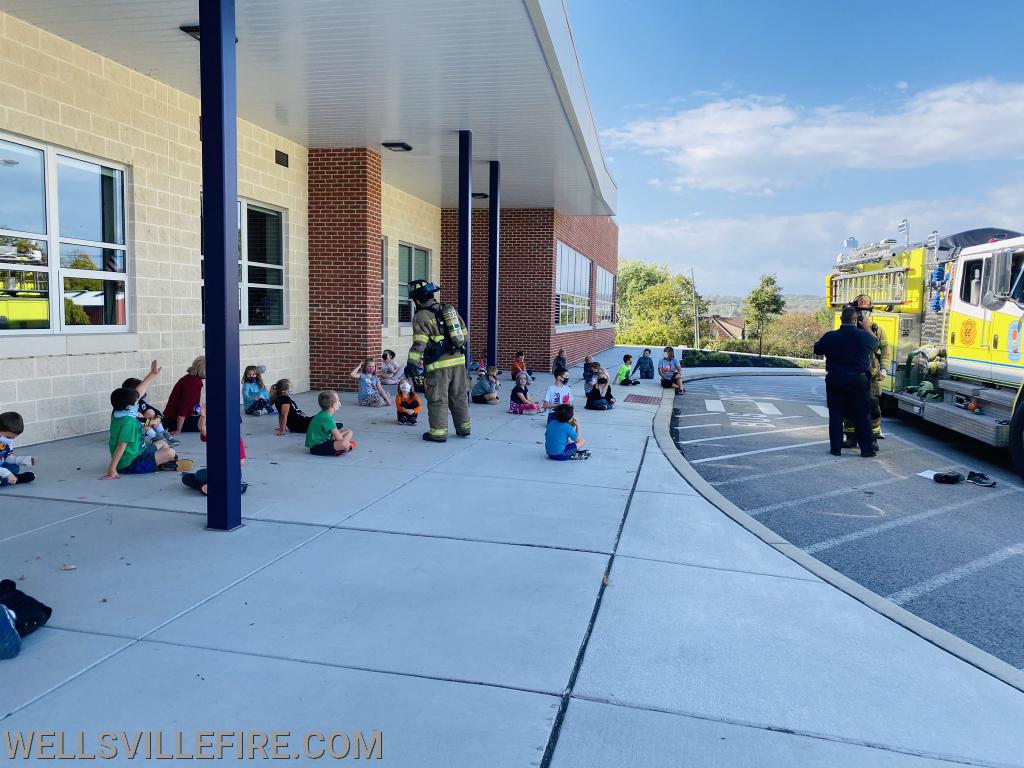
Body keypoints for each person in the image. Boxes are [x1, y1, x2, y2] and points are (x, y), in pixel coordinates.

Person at [403, 280, 471, 442]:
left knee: (438, 398)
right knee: (459, 396)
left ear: (417, 299)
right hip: (459, 362)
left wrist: (411, 364)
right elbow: (464, 335)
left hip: (439, 366)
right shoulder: (450, 311)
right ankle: (464, 428)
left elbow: (419, 343)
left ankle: (438, 433)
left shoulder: (421, 316)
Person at [814, 305, 878, 457]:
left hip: (836, 379)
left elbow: (817, 349)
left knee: (836, 415)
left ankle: (836, 449)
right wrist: (867, 327)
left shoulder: (830, 336)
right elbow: (875, 344)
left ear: (841, 319)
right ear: (856, 320)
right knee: (862, 415)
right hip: (858, 380)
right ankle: (866, 450)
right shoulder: (864, 336)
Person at [103, 387, 192, 479]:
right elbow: (121, 446)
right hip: (130, 464)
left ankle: (165, 462)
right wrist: (112, 469)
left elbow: (143, 420)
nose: (138, 404)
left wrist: (152, 374)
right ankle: (163, 465)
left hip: (139, 451)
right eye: (137, 402)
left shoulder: (118, 413)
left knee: (163, 443)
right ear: (129, 406)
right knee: (171, 452)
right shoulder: (129, 423)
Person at [843, 294, 890, 451]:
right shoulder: (849, 329)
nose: (863, 314)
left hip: (871, 376)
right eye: (859, 310)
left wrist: (883, 369)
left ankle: (873, 439)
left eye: (866, 311)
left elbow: (884, 351)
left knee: (873, 408)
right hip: (852, 375)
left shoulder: (877, 330)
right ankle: (851, 438)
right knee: (849, 407)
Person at [181, 404, 248, 496]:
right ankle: (222, 487)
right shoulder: (215, 435)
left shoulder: (236, 440)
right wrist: (203, 417)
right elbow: (202, 429)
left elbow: (241, 460)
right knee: (187, 478)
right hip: (215, 472)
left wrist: (224, 468)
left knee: (198, 475)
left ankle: (212, 486)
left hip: (230, 472)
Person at [121, 360, 178, 446]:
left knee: (150, 411)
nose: (144, 391)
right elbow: (139, 420)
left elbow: (154, 410)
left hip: (143, 426)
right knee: (139, 414)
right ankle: (154, 437)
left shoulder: (140, 402)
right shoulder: (127, 406)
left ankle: (162, 433)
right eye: (142, 389)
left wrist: (158, 416)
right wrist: (153, 422)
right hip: (131, 431)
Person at [305, 391, 356, 456]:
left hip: (320, 443)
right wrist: (346, 440)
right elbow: (339, 439)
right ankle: (344, 448)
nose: (339, 402)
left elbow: (332, 436)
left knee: (348, 432)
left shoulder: (324, 414)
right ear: (334, 405)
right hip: (317, 447)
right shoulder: (327, 418)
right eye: (338, 400)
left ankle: (343, 447)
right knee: (345, 442)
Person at [164, 356, 205, 434]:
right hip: (175, 421)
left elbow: (194, 404)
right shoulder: (193, 382)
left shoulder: (193, 379)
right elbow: (183, 408)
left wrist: (199, 412)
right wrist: (178, 429)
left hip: (181, 418)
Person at [0, 411, 36, 487]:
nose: (11, 440)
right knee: (7, 472)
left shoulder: (6, 441)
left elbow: (7, 457)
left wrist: (21, 460)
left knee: (15, 467)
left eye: (13, 438)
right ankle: (17, 479)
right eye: (8, 437)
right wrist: (7, 474)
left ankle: (7, 479)